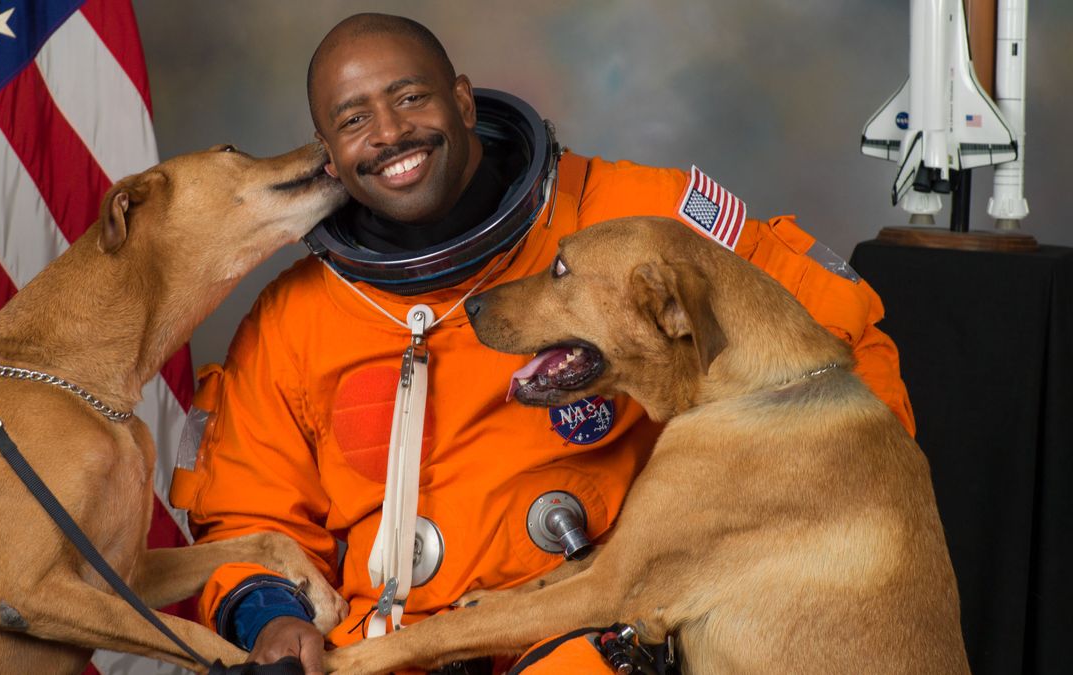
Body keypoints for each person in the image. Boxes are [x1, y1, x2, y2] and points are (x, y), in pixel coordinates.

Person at [169, 12, 916, 675]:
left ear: (462, 100)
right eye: (355, 119)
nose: (391, 133)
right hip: (380, 647)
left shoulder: (635, 222)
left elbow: (834, 342)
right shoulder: (292, 320)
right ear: (328, 152)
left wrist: (803, 560)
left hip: (596, 634)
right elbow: (244, 515)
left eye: (410, 97)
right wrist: (274, 619)